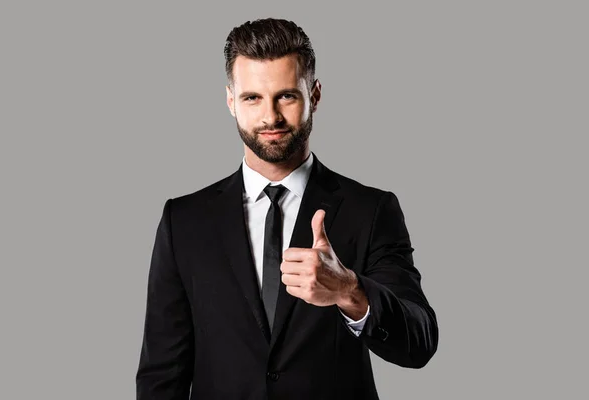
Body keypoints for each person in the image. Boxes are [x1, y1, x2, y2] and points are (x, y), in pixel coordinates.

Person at [136, 17, 438, 400]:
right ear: (231, 101)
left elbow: (420, 342)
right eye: (252, 98)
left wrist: (350, 291)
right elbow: (161, 374)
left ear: (314, 95)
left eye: (286, 96)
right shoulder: (184, 221)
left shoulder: (372, 210)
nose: (270, 117)